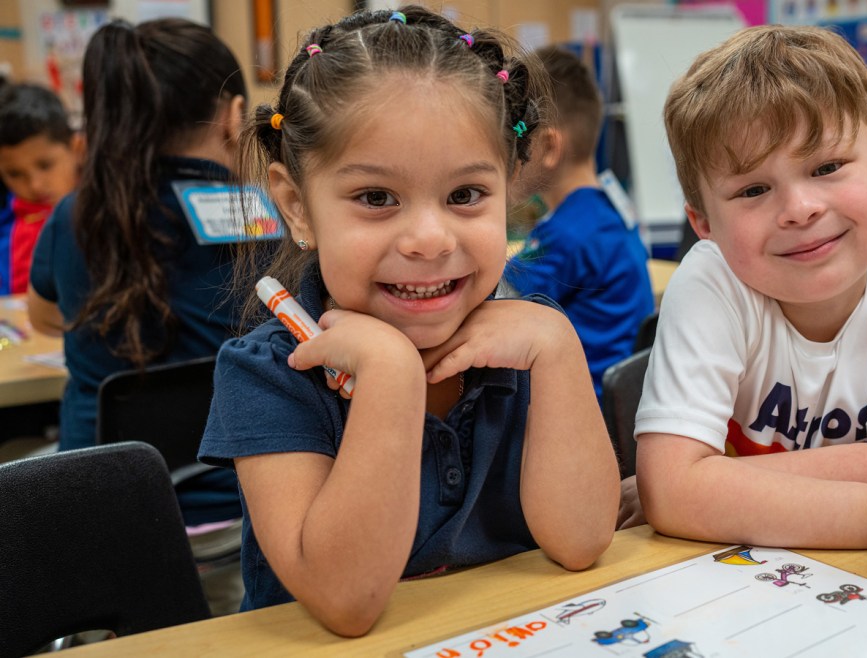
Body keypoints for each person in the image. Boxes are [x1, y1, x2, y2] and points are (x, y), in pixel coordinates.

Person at [197, 7, 619, 636]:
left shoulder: (530, 338)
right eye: (376, 199)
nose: (428, 238)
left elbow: (581, 541)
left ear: (510, 191)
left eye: (466, 196)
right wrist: (392, 377)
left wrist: (559, 350)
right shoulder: (267, 373)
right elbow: (346, 601)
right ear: (297, 207)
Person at [628, 25, 867, 564]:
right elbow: (672, 496)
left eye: (827, 167)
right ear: (704, 223)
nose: (799, 208)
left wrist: (700, 483)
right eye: (754, 189)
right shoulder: (712, 280)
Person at [27, 18, 248, 615]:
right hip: (246, 509)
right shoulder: (260, 214)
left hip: (105, 510)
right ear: (232, 115)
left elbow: (46, 319)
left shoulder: (75, 215)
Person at [504, 46, 654, 399]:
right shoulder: (607, 211)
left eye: (513, 140)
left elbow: (497, 299)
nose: (505, 154)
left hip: (578, 408)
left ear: (548, 147)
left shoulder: (568, 235)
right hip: (614, 403)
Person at [0, 83, 82, 295]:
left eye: (45, 165)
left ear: (77, 148)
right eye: (15, 174)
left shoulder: (103, 213)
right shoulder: (8, 225)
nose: (35, 185)